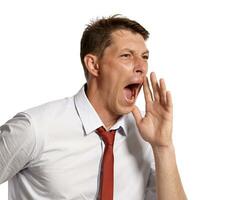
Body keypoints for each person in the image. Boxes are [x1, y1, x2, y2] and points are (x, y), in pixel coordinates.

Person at [0, 15, 187, 200]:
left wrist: (163, 146)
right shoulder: (34, 128)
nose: (141, 67)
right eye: (126, 56)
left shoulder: (145, 136)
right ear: (94, 65)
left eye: (144, 57)